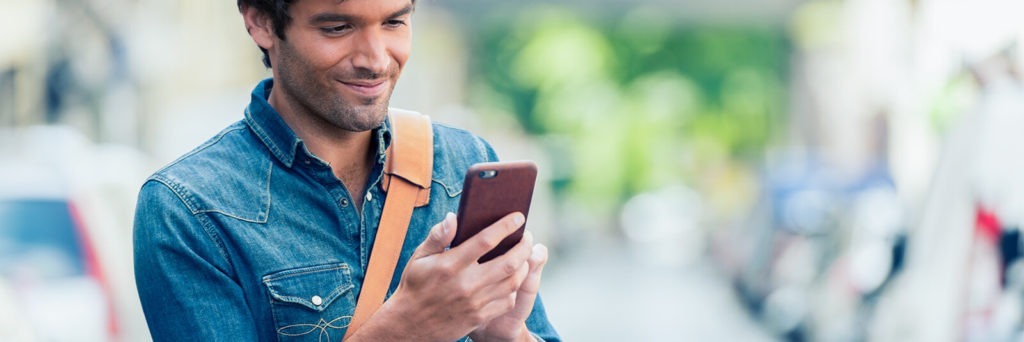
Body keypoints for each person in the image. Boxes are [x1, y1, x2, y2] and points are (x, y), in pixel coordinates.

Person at [132, 0, 560, 341]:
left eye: (394, 22)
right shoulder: (187, 209)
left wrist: (508, 337)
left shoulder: (462, 161)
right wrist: (407, 329)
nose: (376, 60)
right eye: (337, 28)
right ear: (260, 22)